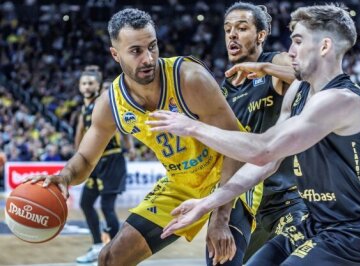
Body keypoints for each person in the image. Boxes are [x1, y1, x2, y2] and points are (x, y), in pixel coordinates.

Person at [148, 4, 360, 265]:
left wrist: (192, 126)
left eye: (298, 42)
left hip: (356, 233)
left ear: (324, 47)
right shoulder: (297, 89)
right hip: (314, 225)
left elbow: (263, 148)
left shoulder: (340, 100)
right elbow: (265, 162)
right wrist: (208, 203)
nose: (291, 51)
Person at [25, 8, 262, 266]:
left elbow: (236, 146)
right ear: (115, 55)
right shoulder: (110, 103)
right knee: (110, 258)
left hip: (231, 177)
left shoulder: (190, 78)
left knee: (222, 260)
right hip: (182, 183)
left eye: (153, 46)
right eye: (136, 51)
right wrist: (65, 177)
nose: (148, 58)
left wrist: (220, 216)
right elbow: (85, 157)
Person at [221, 2, 308, 263]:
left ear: (260, 35)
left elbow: (307, 77)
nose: (232, 35)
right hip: (245, 205)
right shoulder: (224, 89)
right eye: (227, 30)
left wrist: (264, 69)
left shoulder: (274, 61)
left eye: (241, 28)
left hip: (287, 200)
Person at [74, 66, 128, 263]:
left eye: (90, 83)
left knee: (107, 207)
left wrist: (128, 144)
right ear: (79, 87)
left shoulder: (104, 102)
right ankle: (97, 246)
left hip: (112, 159)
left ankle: (116, 251)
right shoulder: (84, 107)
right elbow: (80, 132)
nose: (87, 86)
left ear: (98, 86)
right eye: (84, 83)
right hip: (95, 161)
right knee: (86, 203)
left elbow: (120, 127)